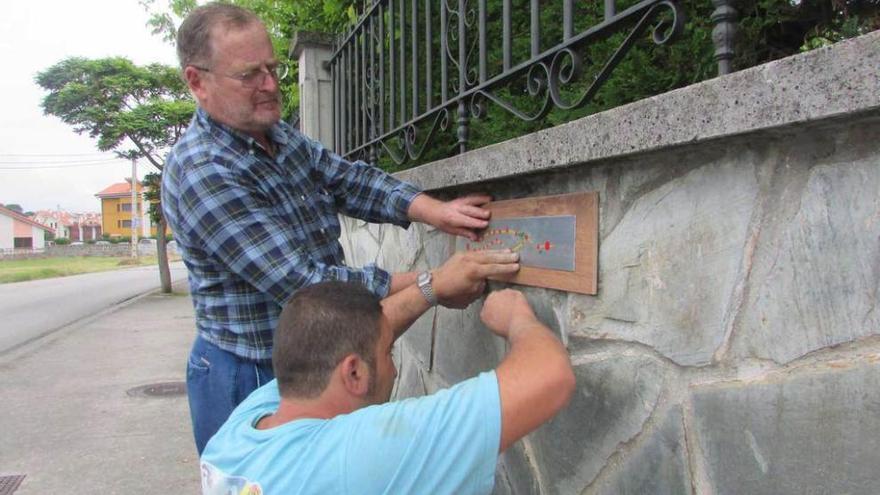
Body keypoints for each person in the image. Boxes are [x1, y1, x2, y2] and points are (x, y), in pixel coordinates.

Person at [162, 2, 515, 454]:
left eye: (273, 67)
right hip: (248, 374)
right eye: (250, 74)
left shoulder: (275, 134)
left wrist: (432, 209)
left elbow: (346, 178)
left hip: (312, 360)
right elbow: (305, 287)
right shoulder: (202, 171)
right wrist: (432, 283)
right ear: (197, 81)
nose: (270, 85)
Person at [200, 279, 575, 495]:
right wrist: (517, 319)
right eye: (389, 353)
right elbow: (550, 374)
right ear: (354, 374)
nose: (394, 369)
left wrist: (435, 285)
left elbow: (343, 333)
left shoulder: (239, 428)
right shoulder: (357, 456)